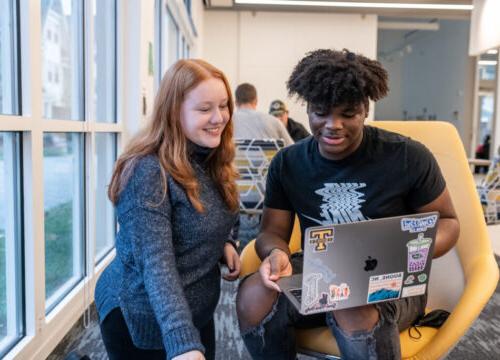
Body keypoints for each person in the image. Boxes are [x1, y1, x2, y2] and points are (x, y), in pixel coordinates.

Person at [236, 49, 460, 360]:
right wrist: (276, 253)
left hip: (390, 281)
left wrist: (406, 250)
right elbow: (271, 232)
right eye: (320, 112)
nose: (333, 125)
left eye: (348, 114)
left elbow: (449, 222)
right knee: (252, 296)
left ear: (366, 110)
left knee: (350, 300)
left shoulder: (408, 157)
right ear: (308, 109)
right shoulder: (288, 163)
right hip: (319, 272)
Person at [94, 59, 241, 360]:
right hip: (143, 317)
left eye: (224, 105)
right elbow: (156, 263)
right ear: (174, 112)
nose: (219, 117)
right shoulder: (147, 172)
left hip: (196, 309)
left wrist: (225, 241)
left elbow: (221, 209)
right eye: (204, 109)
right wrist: (183, 342)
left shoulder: (210, 156)